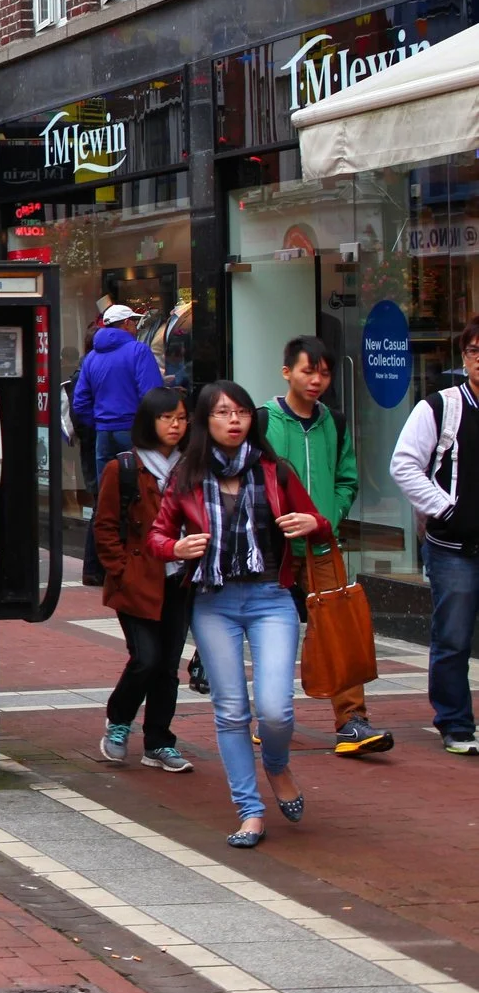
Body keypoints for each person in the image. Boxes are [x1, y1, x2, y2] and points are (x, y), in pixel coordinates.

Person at [149, 380, 328, 848]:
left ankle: (275, 762)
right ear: (206, 422)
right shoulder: (185, 476)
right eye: (223, 413)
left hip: (272, 598)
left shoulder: (275, 470)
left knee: (274, 710)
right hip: (214, 602)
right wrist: (177, 546)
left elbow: (319, 523)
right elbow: (156, 537)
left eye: (242, 412)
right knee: (230, 712)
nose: (234, 421)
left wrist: (312, 523)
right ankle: (250, 811)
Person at [264, 334, 391, 759]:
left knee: (338, 627)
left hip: (321, 545)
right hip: (272, 548)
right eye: (307, 371)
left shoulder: (333, 422)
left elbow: (346, 480)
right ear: (287, 372)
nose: (316, 380)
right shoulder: (263, 421)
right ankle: (270, 716)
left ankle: (352, 721)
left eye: (323, 372)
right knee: (271, 631)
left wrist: (323, 521)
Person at [390, 318, 479, 756]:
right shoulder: (440, 407)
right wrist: (446, 508)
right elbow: (403, 464)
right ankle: (455, 724)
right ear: (463, 358)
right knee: (454, 638)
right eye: (475, 351)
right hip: (454, 548)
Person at [95, 387, 196, 773]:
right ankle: (119, 721)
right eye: (167, 417)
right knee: (145, 659)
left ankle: (158, 742)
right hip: (137, 580)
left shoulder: (191, 468)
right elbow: (104, 528)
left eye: (182, 418)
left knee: (168, 665)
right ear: (149, 422)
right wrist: (120, 569)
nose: (175, 425)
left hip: (179, 579)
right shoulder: (123, 468)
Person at [75, 303, 166, 464]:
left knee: (107, 485)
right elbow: (152, 395)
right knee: (140, 485)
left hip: (103, 433)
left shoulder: (91, 357)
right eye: (134, 322)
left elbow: (80, 403)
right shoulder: (139, 350)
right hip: (132, 430)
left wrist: (99, 422)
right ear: (126, 323)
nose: (136, 327)